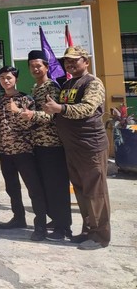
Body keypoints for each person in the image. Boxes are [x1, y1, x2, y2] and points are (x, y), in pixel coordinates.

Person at [42, 46, 110, 250]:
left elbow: (87, 108)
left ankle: (100, 237)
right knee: (81, 191)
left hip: (90, 146)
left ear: (86, 62)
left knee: (96, 192)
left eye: (75, 60)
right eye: (67, 61)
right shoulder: (68, 83)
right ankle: (88, 230)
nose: (70, 64)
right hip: (72, 146)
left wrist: (60, 108)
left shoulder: (93, 83)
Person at [15, 50, 72, 241]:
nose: (35, 68)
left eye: (39, 65)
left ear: (47, 67)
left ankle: (63, 227)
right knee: (46, 186)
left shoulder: (51, 87)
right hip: (38, 144)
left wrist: (32, 115)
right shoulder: (36, 87)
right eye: (32, 66)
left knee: (57, 187)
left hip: (53, 144)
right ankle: (55, 219)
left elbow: (51, 115)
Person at [0, 66, 47, 241]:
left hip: (24, 150)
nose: (6, 81)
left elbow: (31, 125)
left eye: (9, 77)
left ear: (15, 79)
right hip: (5, 151)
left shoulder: (26, 99)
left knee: (34, 189)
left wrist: (17, 112)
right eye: (2, 78)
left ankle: (40, 225)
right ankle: (18, 218)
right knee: (12, 188)